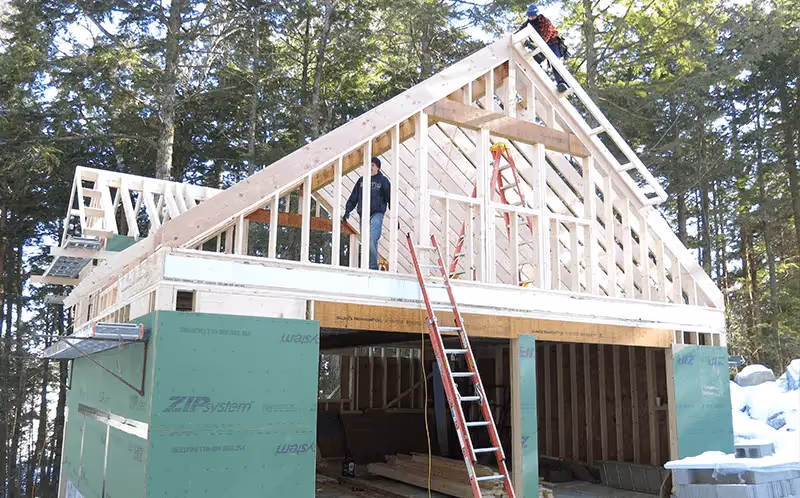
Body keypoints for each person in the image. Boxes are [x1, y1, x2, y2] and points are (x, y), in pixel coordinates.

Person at [343, 156, 391, 270]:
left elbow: (390, 198)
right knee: (365, 241)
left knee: (372, 239)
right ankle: (368, 265)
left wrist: (395, 217)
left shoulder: (383, 181)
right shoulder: (361, 181)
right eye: (368, 165)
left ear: (378, 167)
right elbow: (354, 197)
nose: (370, 167)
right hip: (363, 215)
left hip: (377, 214)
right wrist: (347, 210)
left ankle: (372, 267)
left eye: (372, 165)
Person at [517, 4, 570, 93]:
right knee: (533, 61)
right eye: (529, 16)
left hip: (552, 43)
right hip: (540, 45)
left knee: (555, 62)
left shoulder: (544, 21)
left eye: (533, 15)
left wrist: (534, 45)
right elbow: (519, 33)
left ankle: (562, 83)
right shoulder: (527, 24)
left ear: (537, 14)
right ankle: (531, 80)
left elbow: (546, 36)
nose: (531, 17)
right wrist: (523, 40)